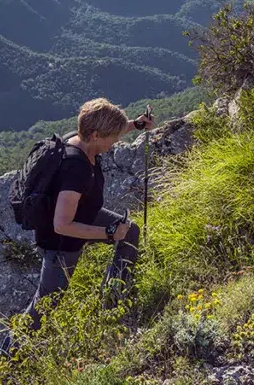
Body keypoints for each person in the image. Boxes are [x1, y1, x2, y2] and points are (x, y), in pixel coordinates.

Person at [21, 98, 155, 331]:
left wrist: (135, 124)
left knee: (130, 231)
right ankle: (10, 357)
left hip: (84, 215)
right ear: (95, 136)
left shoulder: (78, 137)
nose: (115, 142)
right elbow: (62, 225)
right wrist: (109, 232)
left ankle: (113, 301)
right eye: (113, 138)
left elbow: (107, 131)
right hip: (61, 242)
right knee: (45, 305)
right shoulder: (77, 169)